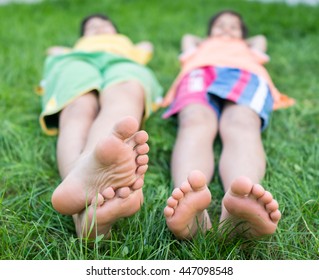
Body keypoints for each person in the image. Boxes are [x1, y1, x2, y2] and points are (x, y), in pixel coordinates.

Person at [161, 10, 295, 239]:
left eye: (234, 27)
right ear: (208, 33)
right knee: (195, 120)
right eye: (220, 25)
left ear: (243, 36)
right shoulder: (199, 48)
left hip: (244, 72)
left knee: (242, 122)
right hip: (199, 72)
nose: (226, 29)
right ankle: (191, 204)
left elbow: (259, 39)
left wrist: (236, 39)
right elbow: (188, 39)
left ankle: (240, 204)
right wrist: (211, 40)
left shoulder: (249, 50)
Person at [38, 13, 162, 239]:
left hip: (122, 64)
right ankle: (84, 209)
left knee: (123, 98)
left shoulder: (129, 47)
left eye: (105, 25)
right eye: (91, 27)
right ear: (82, 36)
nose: (98, 28)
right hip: (79, 63)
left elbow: (146, 45)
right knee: (78, 106)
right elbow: (53, 50)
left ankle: (83, 200)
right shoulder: (74, 50)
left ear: (117, 32)